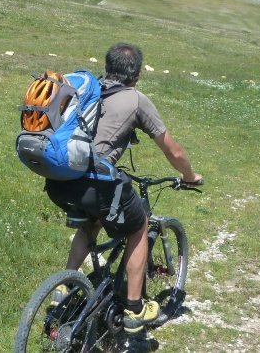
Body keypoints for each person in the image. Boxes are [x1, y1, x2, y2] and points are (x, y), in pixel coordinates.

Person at [45, 42, 203, 333]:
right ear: (138, 75)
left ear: (107, 68)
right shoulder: (137, 99)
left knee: (90, 224)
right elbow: (173, 152)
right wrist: (191, 176)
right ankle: (134, 309)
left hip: (58, 179)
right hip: (93, 181)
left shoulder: (88, 92)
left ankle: (64, 290)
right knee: (139, 226)